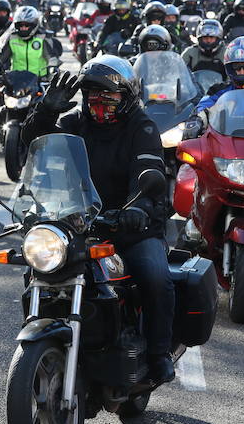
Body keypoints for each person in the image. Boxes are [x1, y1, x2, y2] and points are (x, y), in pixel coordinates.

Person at [21, 56, 176, 384]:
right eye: (92, 96)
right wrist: (46, 111)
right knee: (40, 267)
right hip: (79, 221)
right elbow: (33, 147)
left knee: (154, 275)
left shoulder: (142, 127)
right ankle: (46, 339)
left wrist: (139, 209)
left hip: (131, 224)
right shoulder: (75, 122)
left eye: (107, 98)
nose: (98, 105)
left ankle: (159, 353)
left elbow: (147, 177)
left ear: (128, 98)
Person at [0, 6, 55, 77]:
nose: (23, 28)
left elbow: (51, 58)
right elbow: (1, 58)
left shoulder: (42, 38)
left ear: (34, 24)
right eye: (20, 25)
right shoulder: (12, 38)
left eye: (27, 25)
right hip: (16, 80)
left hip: (39, 80)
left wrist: (53, 69)